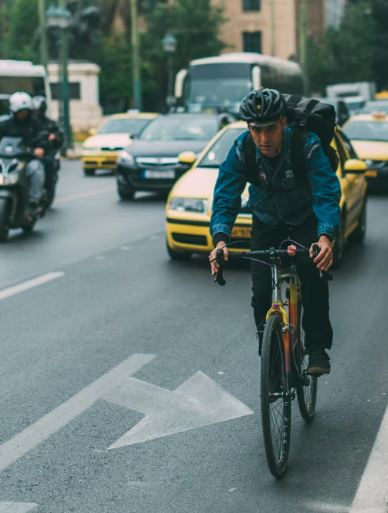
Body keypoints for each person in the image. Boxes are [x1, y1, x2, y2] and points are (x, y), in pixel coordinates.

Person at [209, 88, 341, 375]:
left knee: (311, 268)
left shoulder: (307, 144)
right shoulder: (243, 147)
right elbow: (226, 195)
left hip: (305, 219)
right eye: (256, 130)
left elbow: (326, 193)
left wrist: (325, 237)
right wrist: (220, 240)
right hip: (266, 221)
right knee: (259, 293)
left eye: (270, 129)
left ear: (283, 122)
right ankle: (269, 355)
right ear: (248, 128)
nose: (264, 139)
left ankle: (317, 346)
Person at [0, 92, 46, 216]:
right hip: (6, 159)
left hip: (27, 159)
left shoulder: (35, 124)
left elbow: (43, 137)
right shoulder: (5, 125)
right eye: (20, 111)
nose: (23, 114)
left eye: (25, 111)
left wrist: (40, 148)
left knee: (36, 169)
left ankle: (33, 201)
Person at [32, 95, 63, 194]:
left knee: (49, 162)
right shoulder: (27, 123)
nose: (36, 113)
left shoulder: (50, 123)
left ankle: (48, 187)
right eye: (35, 110)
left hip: (46, 151)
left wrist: (54, 137)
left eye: (38, 110)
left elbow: (60, 137)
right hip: (28, 150)